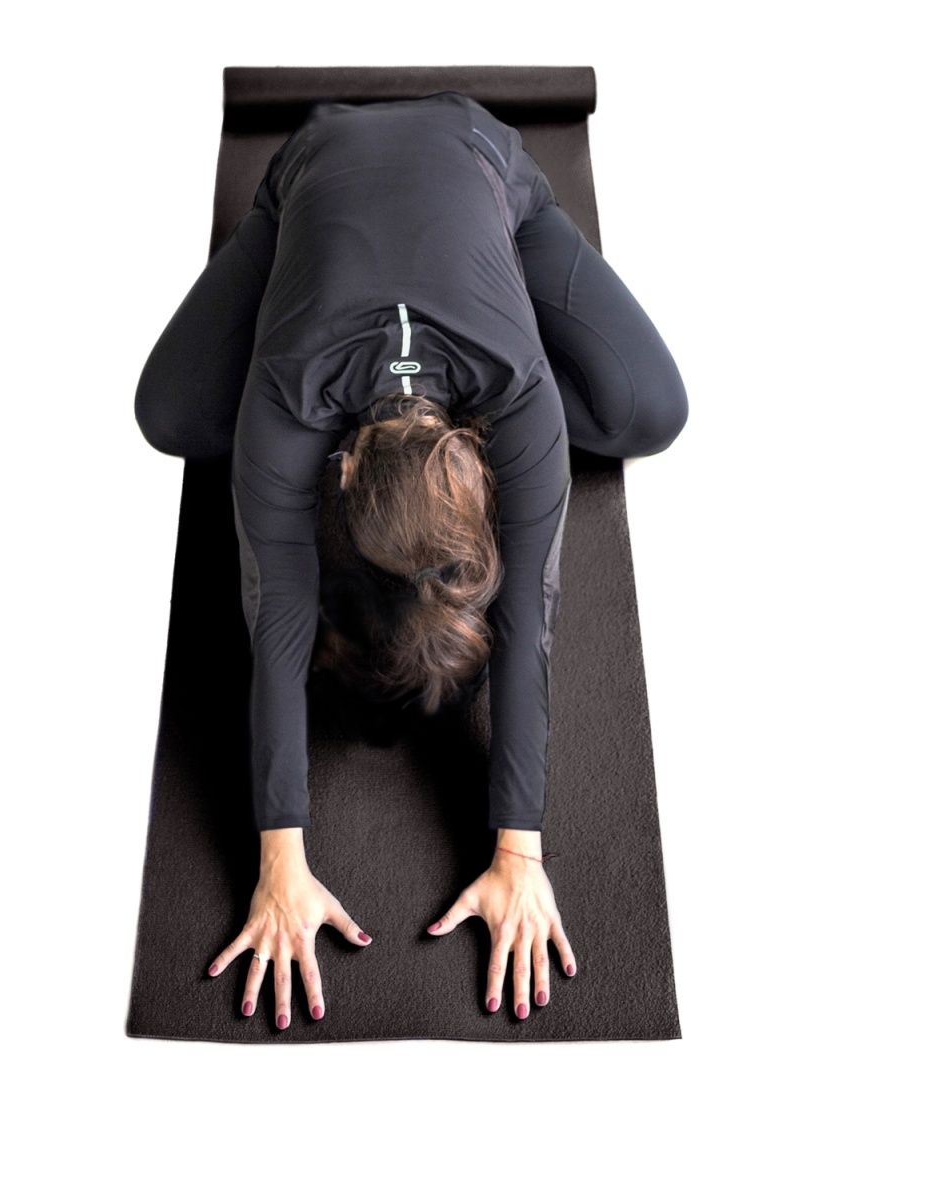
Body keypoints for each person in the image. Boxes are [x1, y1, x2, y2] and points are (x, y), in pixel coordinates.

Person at [135, 91, 688, 1028]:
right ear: (343, 467)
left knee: (652, 412)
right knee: (172, 418)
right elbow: (277, 614)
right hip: (316, 159)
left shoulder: (519, 396)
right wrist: (280, 859)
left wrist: (520, 853)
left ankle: (486, 245)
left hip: (481, 158)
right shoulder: (290, 394)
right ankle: (298, 238)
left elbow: (528, 625)